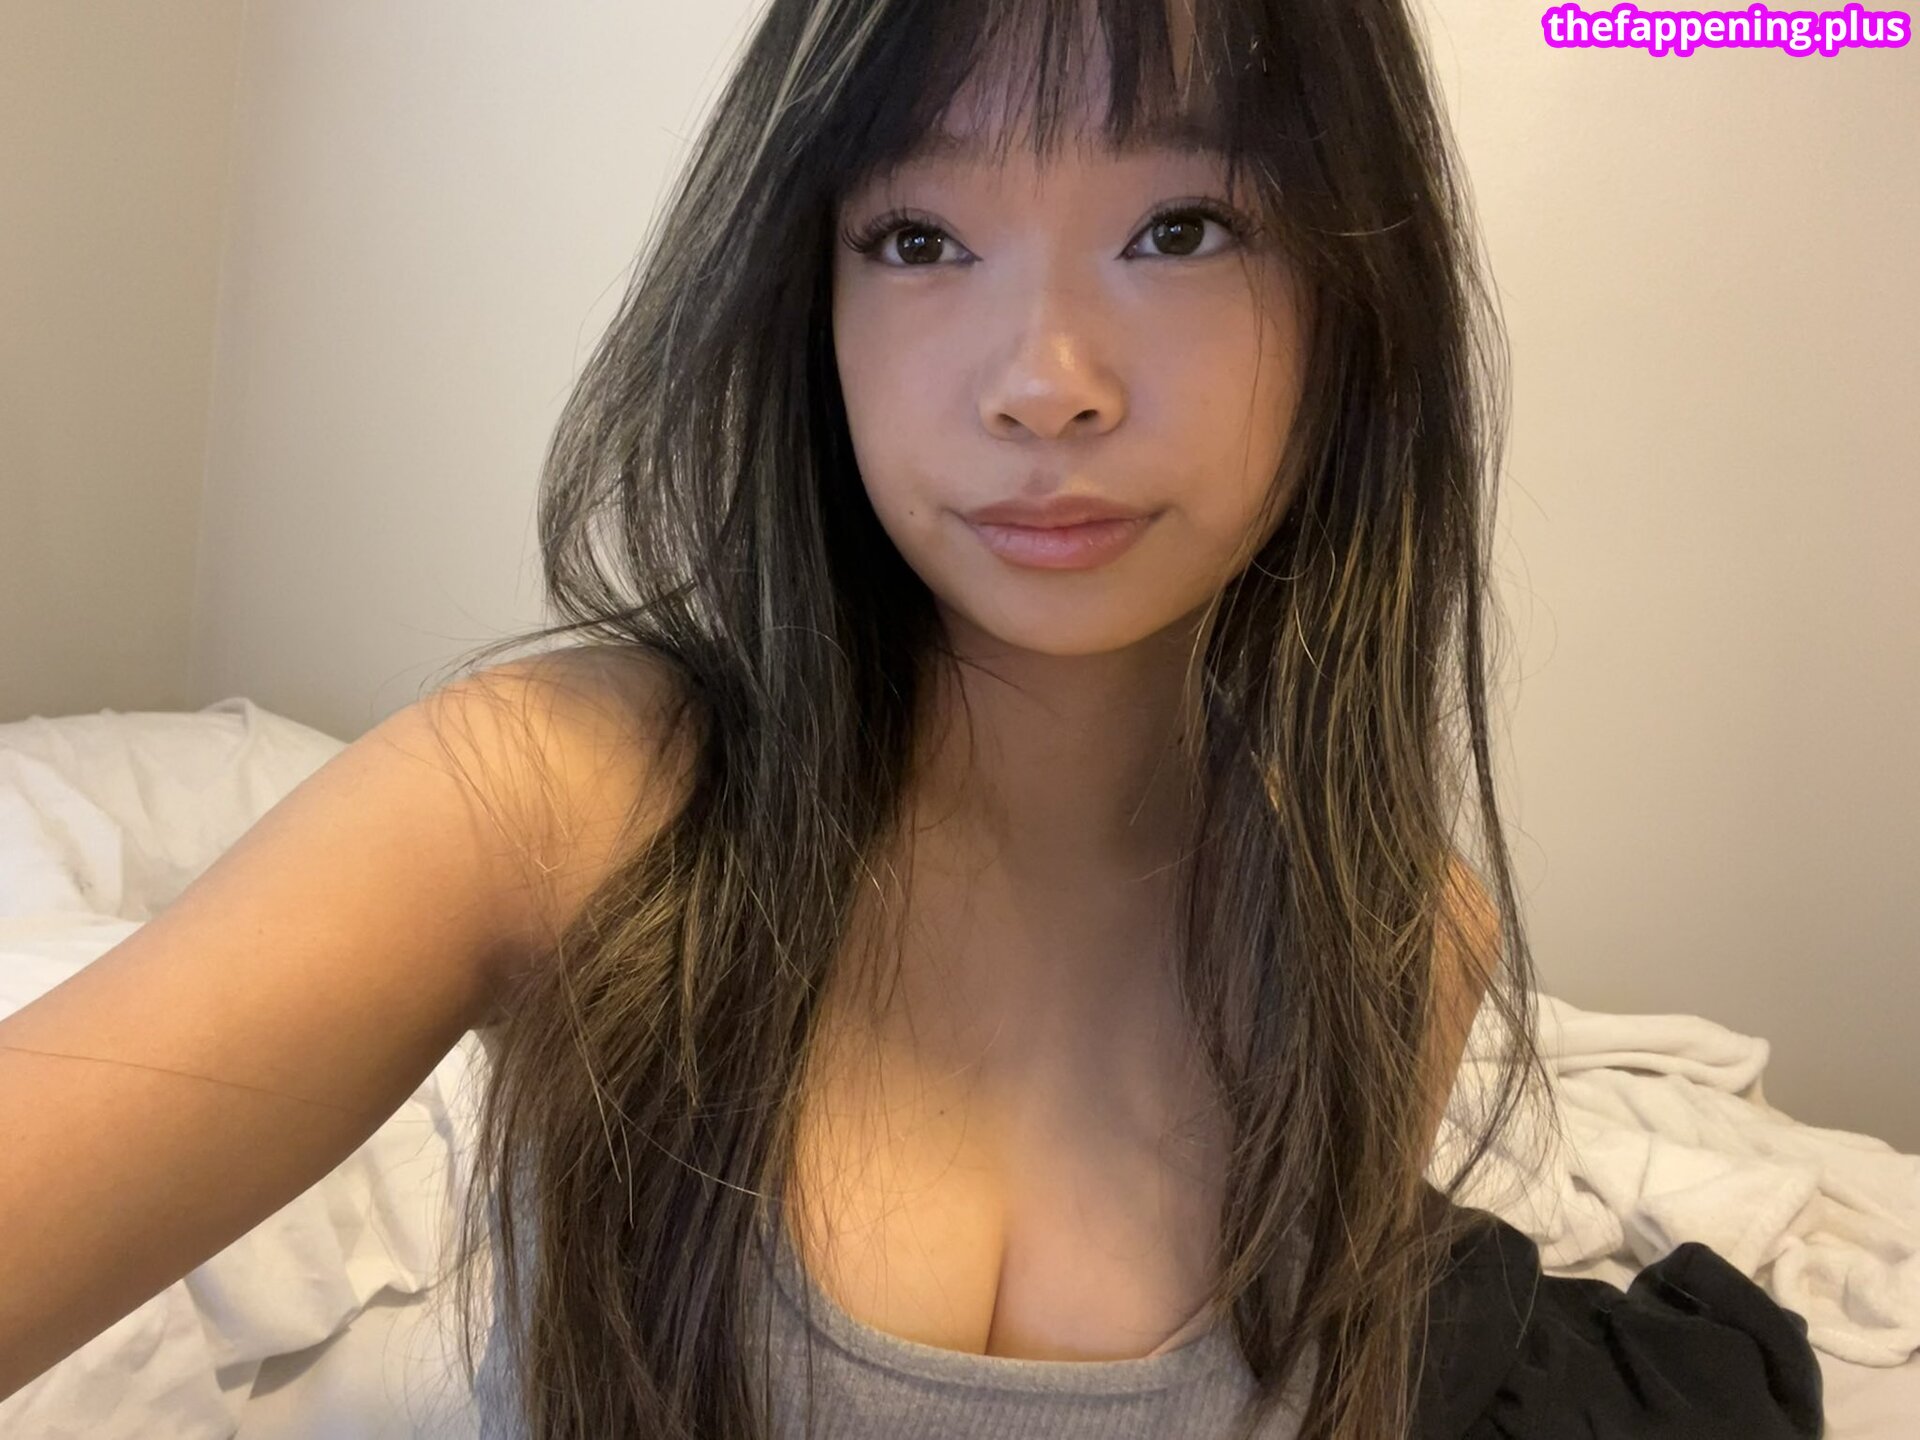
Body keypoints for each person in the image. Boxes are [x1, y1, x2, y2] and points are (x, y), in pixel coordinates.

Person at [0, 1, 1823, 1437]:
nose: (1044, 384)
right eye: (920, 236)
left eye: (1184, 227)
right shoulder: (552, 800)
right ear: (814, 300)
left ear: (1356, 294)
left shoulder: (1400, 934)